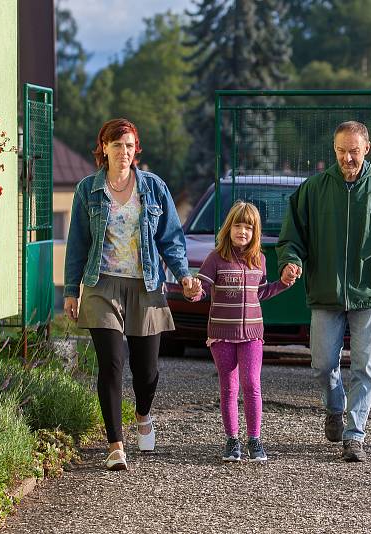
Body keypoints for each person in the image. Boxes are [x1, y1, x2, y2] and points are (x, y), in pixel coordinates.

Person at [63, 118, 200, 471]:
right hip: (102, 283)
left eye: (129, 145)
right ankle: (115, 445)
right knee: (111, 363)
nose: (123, 152)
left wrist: (184, 275)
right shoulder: (87, 190)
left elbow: (171, 238)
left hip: (146, 283)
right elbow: (78, 243)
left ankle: (143, 413)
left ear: (135, 149)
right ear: (104, 148)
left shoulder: (153, 188)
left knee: (147, 371)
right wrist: (71, 291)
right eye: (116, 145)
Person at [277, 120, 371, 462]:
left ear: (367, 149)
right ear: (333, 150)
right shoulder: (314, 189)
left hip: (370, 292)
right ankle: (334, 407)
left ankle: (355, 434)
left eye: (354, 151)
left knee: (365, 366)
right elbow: (292, 237)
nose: (347, 158)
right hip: (325, 290)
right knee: (322, 364)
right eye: (341, 151)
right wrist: (290, 261)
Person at [185, 201, 295, 462]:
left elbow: (261, 292)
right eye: (238, 225)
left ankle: (254, 440)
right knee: (229, 387)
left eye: (248, 227)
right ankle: (232, 440)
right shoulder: (215, 258)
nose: (242, 231)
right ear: (228, 228)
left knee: (252, 384)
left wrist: (284, 284)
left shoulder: (260, 259)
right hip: (222, 334)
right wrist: (192, 292)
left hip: (252, 334)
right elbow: (201, 290)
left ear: (254, 232)